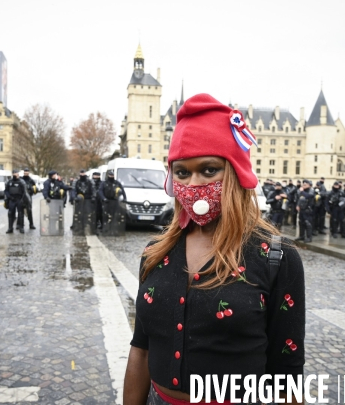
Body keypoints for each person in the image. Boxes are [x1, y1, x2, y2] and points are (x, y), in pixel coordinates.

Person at [123, 94, 305, 404]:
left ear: (235, 173)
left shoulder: (278, 259)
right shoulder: (154, 254)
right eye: (182, 172)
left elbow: (286, 378)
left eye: (209, 170)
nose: (193, 183)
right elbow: (140, 349)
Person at [5, 169, 27, 234]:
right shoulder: (9, 182)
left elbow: (24, 192)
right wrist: (9, 197)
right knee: (10, 213)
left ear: (18, 174)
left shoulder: (21, 182)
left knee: (20, 214)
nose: (15, 174)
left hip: (19, 199)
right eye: (14, 173)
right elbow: (6, 191)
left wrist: (22, 199)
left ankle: (21, 227)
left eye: (16, 173)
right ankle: (10, 228)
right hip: (12, 200)